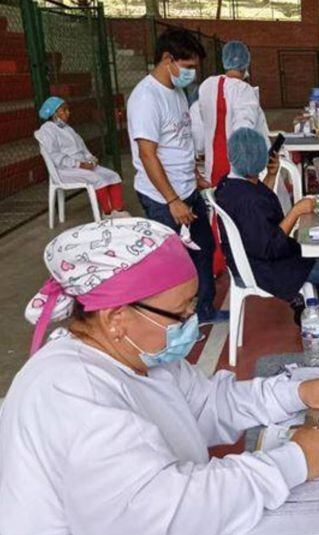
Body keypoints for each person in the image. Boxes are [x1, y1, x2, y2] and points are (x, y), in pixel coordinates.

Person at [0, 218, 319, 535]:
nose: (191, 326)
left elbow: (211, 404)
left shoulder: (139, 357)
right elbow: (169, 518)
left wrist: (298, 391)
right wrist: (293, 462)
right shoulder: (70, 394)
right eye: (179, 314)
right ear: (116, 317)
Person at [127, 27, 225, 324]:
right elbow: (147, 154)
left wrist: (193, 177)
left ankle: (204, 311)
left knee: (204, 249)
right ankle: (168, 322)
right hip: (162, 198)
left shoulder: (177, 92)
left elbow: (180, 141)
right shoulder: (146, 98)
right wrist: (172, 200)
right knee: (171, 264)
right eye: (189, 67)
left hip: (186, 191)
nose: (192, 74)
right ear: (168, 59)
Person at [214, 127, 319, 324]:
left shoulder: (230, 185)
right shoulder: (247, 201)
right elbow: (271, 247)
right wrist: (296, 211)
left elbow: (256, 209)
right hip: (264, 268)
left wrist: (271, 176)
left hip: (253, 258)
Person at [190, 40, 271, 187]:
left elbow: (198, 123)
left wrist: (199, 149)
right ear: (246, 63)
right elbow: (244, 133)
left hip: (212, 166)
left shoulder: (207, 85)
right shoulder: (244, 90)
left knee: (217, 203)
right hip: (237, 170)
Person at [35, 96, 128, 218]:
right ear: (54, 113)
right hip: (65, 169)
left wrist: (91, 159)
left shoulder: (68, 129)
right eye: (64, 110)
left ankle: (118, 210)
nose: (68, 113)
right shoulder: (47, 129)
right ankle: (107, 212)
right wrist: (79, 164)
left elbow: (82, 148)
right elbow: (55, 155)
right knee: (98, 178)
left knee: (114, 176)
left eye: (67, 109)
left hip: (82, 165)